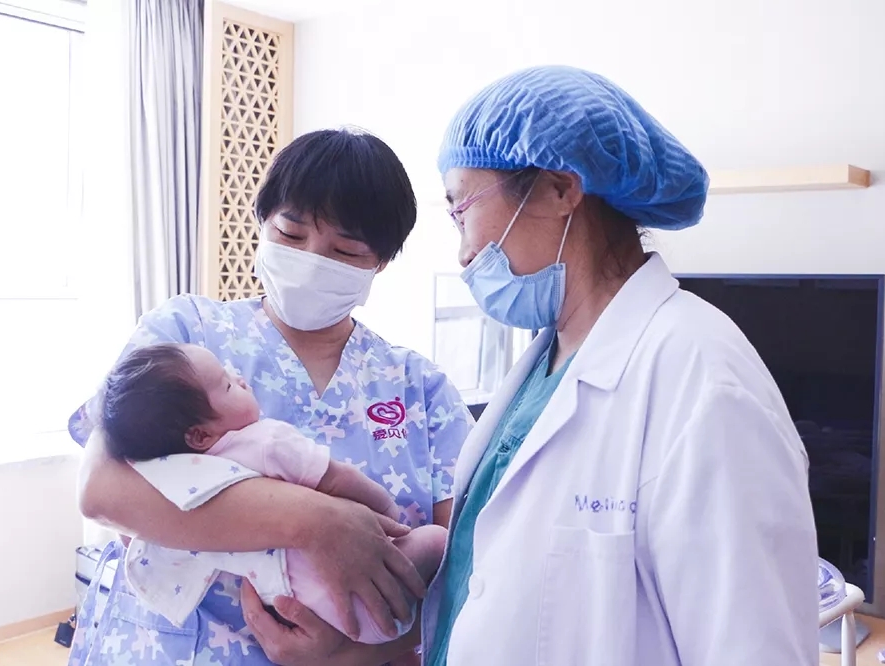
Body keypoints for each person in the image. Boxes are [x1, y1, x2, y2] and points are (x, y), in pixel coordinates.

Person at [412, 65, 817, 665]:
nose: (465, 253)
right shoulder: (546, 363)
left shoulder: (704, 380)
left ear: (559, 189)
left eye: (461, 210)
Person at [70, 128, 473, 666]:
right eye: (291, 233)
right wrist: (318, 520)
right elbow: (102, 489)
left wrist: (348, 655)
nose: (311, 259)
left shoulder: (420, 388)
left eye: (345, 251)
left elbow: (472, 568)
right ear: (261, 222)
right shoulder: (186, 336)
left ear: (380, 262)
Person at [95, 342, 446, 642]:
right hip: (365, 597)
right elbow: (339, 479)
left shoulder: (169, 479)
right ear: (200, 435)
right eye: (227, 385)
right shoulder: (266, 442)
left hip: (296, 610)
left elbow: (133, 538)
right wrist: (388, 515)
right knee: (437, 541)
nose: (239, 378)